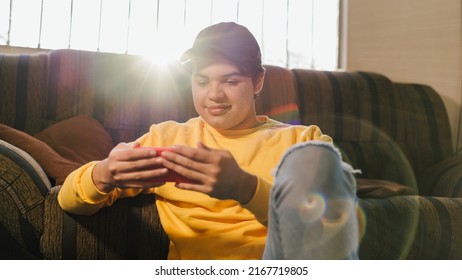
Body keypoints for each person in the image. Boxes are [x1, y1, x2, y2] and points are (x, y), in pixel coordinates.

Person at [58, 22, 360, 260]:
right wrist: (103, 173)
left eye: (230, 81)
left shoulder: (303, 141)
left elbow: (334, 232)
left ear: (258, 82)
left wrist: (245, 188)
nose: (214, 95)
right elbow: (67, 201)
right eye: (202, 82)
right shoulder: (168, 139)